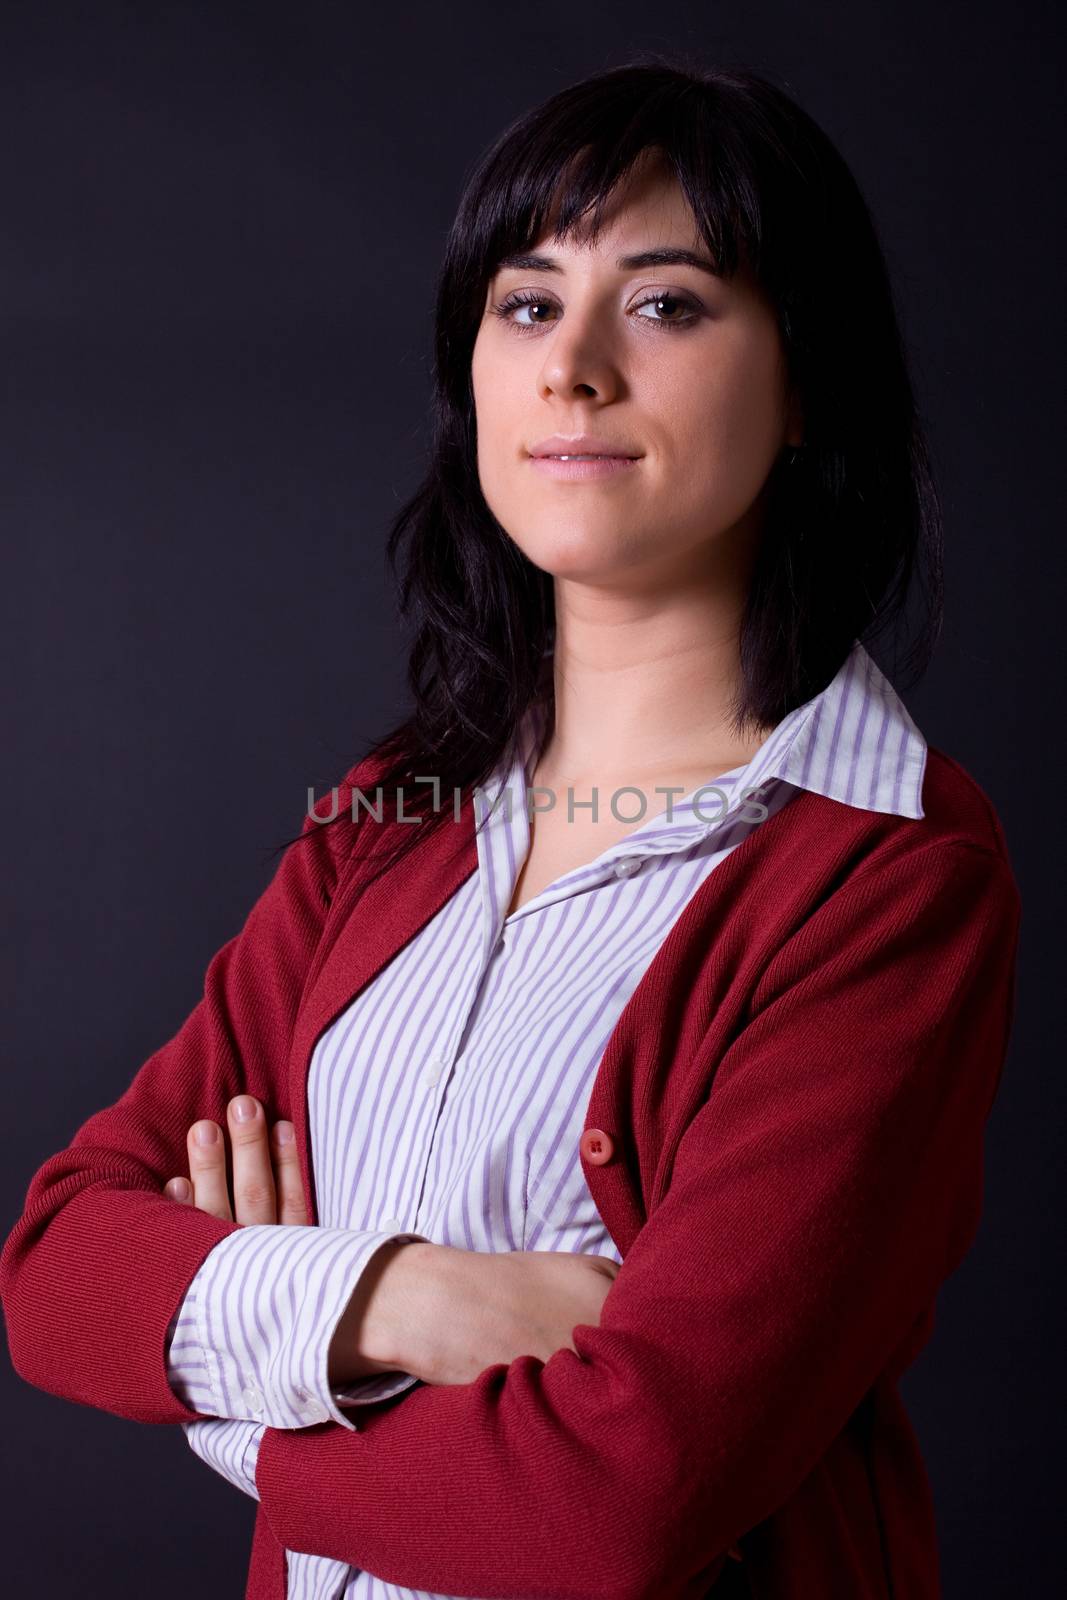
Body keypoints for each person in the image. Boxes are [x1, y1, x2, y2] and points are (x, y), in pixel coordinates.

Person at [1, 55, 1021, 1600]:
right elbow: (58, 1265)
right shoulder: (385, 820)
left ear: (805, 377)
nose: (575, 368)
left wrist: (238, 1380)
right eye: (527, 304)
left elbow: (618, 1498)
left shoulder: (889, 874)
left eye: (668, 304)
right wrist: (405, 1302)